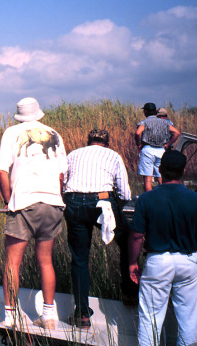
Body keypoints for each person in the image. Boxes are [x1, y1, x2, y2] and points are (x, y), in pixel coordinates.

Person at [129, 150, 197, 346]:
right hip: (189, 260)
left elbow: (136, 236)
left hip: (157, 261)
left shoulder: (146, 199)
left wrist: (133, 262)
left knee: (150, 317)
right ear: (183, 171)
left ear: (160, 170)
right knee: (188, 318)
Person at [0, 97, 68, 329]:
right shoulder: (55, 134)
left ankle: (10, 316)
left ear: (19, 115)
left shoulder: (11, 133)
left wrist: (9, 200)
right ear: (38, 114)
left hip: (24, 202)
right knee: (46, 261)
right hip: (53, 202)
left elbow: (1, 170)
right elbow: (60, 175)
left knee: (12, 263)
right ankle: (48, 316)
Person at [62, 129, 137, 330]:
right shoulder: (112, 155)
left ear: (88, 141)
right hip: (102, 200)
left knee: (79, 257)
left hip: (74, 201)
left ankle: (82, 314)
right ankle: (130, 293)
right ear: (107, 143)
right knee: (128, 242)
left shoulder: (74, 154)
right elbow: (124, 191)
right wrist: (119, 207)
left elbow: (63, 181)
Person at [135, 102, 180, 192]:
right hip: (161, 150)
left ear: (146, 111)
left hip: (148, 149)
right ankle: (164, 196)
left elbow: (138, 133)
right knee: (161, 177)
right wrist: (167, 144)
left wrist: (138, 143)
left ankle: (149, 200)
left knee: (148, 179)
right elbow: (177, 133)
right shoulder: (164, 123)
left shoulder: (144, 122)